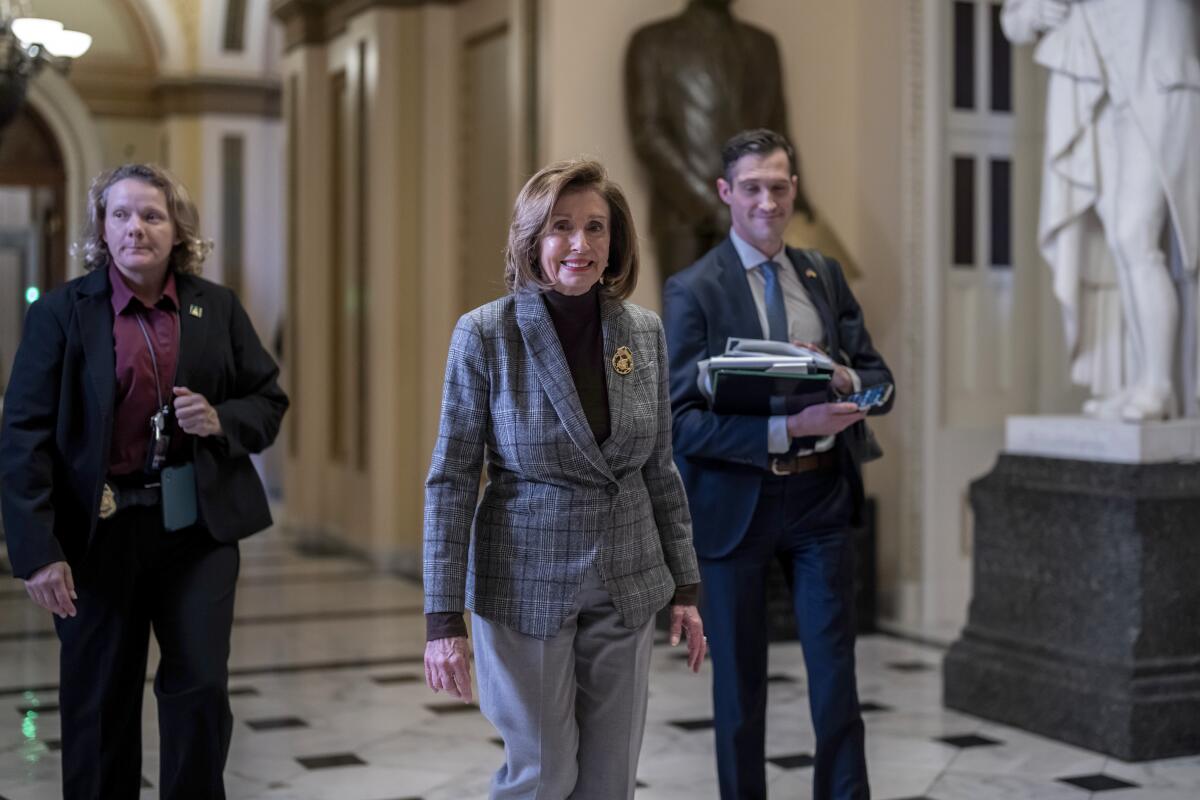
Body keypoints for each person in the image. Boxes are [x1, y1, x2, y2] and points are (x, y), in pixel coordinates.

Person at [0, 164, 288, 799]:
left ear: (176, 229)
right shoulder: (61, 314)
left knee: (201, 688)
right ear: (102, 229)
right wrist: (38, 552)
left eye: (152, 215)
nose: (136, 228)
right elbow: (23, 435)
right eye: (121, 215)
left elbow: (268, 400)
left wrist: (220, 418)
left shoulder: (215, 307)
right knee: (100, 698)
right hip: (95, 536)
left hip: (195, 531)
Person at [423, 159, 706, 799]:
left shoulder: (644, 332)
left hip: (626, 577)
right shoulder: (485, 334)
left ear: (616, 241)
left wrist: (685, 585)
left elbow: (659, 466)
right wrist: (442, 621)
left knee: (609, 784)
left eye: (596, 227)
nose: (580, 245)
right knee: (544, 776)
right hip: (525, 579)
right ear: (532, 240)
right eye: (561, 227)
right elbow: (452, 479)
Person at [663, 129, 893, 800]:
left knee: (837, 683)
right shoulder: (692, 290)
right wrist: (785, 426)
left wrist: (839, 377)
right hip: (736, 505)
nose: (769, 201)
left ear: (794, 188)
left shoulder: (823, 273)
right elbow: (681, 422)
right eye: (754, 188)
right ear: (726, 193)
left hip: (820, 499)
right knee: (739, 691)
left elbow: (877, 375)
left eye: (781, 186)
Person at [1001, 0, 1200, 420]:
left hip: (1160, 80)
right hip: (1104, 94)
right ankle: (1142, 378)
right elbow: (1013, 19)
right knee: (1121, 243)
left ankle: (1161, 384)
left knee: (1135, 236)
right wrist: (1036, 12)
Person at [625, 0, 812, 283]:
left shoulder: (763, 45)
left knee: (756, 320)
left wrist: (796, 200)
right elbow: (648, 136)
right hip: (684, 221)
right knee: (689, 320)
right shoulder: (652, 42)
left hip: (757, 212)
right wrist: (712, 207)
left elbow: (778, 130)